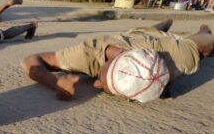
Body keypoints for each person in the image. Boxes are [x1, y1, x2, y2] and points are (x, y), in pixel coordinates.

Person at [21, 19, 214, 102]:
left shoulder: (178, 59)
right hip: (137, 37)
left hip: (161, 46)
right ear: (112, 59)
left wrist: (205, 33)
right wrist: (53, 82)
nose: (95, 84)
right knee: (149, 30)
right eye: (102, 81)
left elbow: (208, 43)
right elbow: (29, 60)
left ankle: (163, 28)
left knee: (204, 41)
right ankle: (162, 25)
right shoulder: (88, 54)